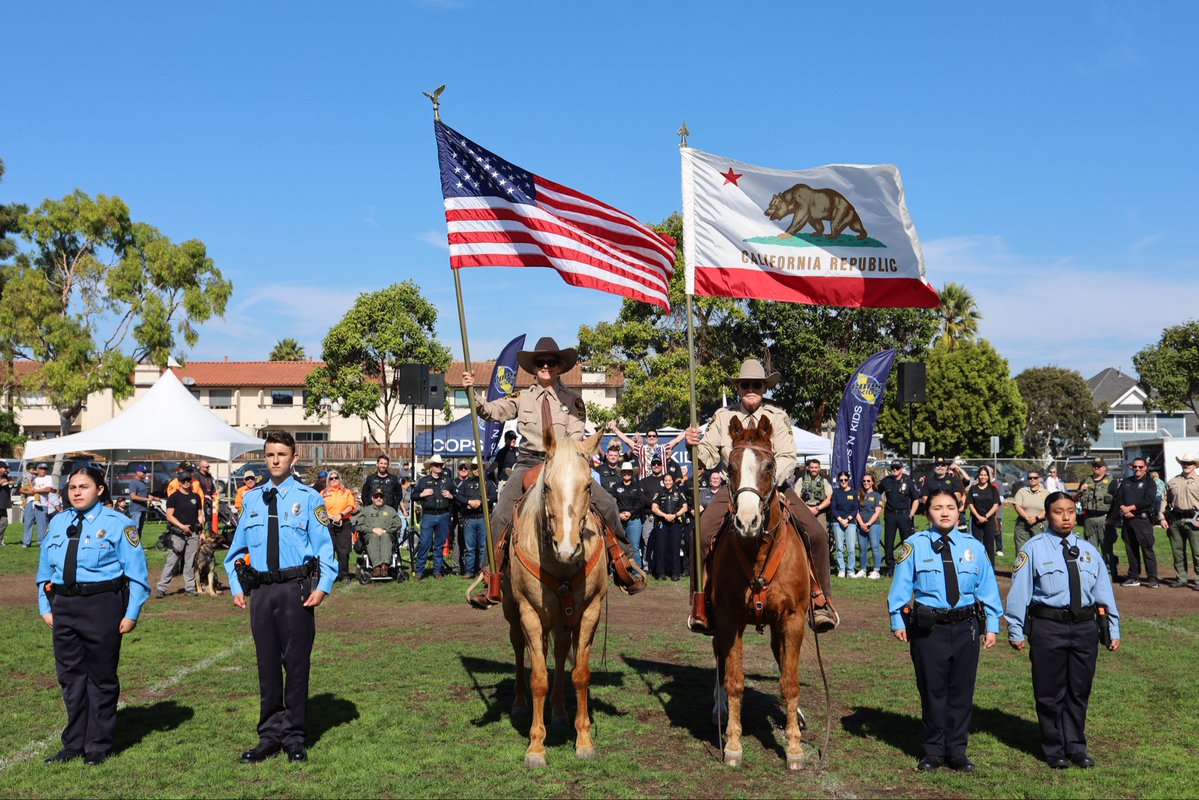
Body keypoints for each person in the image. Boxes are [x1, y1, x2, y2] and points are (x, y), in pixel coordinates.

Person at [463, 336, 644, 592]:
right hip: (528, 462)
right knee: (501, 511)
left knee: (608, 503)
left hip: (563, 465)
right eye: (540, 363)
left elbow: (575, 437)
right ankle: (490, 576)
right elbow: (494, 411)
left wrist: (563, 461)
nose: (545, 366)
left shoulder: (573, 402)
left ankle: (625, 561)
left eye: (550, 362)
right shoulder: (522, 398)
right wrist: (474, 395)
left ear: (560, 367)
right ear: (534, 368)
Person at [685, 358, 838, 633]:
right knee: (700, 534)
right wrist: (693, 446)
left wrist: (767, 487)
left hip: (773, 486)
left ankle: (820, 601)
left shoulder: (778, 417)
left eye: (757, 385)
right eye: (746, 385)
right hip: (733, 488)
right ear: (739, 388)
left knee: (816, 534)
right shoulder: (722, 418)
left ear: (765, 388)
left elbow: (788, 457)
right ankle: (702, 603)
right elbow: (706, 456)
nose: (751, 389)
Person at [223, 430, 336, 764]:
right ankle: (269, 735)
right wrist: (236, 585)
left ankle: (294, 736)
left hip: (295, 590)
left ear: (293, 458)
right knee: (267, 665)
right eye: (270, 454)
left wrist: (322, 586)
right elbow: (234, 553)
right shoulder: (252, 499)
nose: (274, 460)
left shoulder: (309, 498)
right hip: (261, 592)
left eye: (281, 455)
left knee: (296, 665)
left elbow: (325, 549)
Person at [36, 466, 149, 766]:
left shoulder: (119, 524)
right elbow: (45, 568)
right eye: (72, 486)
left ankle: (97, 745)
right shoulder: (58, 521)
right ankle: (73, 743)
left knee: (101, 677)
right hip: (63, 605)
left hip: (102, 605)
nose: (75, 492)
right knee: (70, 678)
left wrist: (132, 612)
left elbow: (137, 574)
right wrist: (45, 605)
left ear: (99, 490)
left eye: (83, 487)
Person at [887, 487, 1002, 773]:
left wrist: (993, 624)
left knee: (962, 691)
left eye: (950, 507)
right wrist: (897, 619)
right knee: (932, 690)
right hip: (929, 629)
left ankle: (957, 750)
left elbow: (988, 588)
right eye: (938, 508)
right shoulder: (914, 545)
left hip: (966, 628)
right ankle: (934, 750)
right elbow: (901, 586)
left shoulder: (973, 546)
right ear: (928, 513)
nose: (945, 512)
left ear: (959, 510)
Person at [1004, 491, 1120, 769]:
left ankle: (1076, 746)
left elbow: (1104, 594)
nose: (1066, 516)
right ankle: (1054, 747)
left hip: (1084, 628)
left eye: (1070, 510)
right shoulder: (1033, 548)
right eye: (1058, 511)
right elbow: (1020, 592)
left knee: (1079, 690)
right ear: (1047, 514)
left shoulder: (1089, 551)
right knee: (1049, 691)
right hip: (1048, 627)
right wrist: (1016, 630)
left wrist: (1113, 629)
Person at [155, 468, 204, 598]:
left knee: (190, 562)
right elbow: (169, 516)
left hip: (193, 533)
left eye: (189, 480)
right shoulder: (173, 497)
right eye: (184, 480)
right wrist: (182, 527)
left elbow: (200, 515)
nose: (187, 482)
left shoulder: (196, 496)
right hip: (177, 534)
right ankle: (161, 588)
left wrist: (202, 530)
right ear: (179, 482)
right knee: (172, 561)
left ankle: (190, 588)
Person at [1113, 458, 1159, 588]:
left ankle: (1152, 578)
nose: (1137, 469)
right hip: (1128, 520)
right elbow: (1119, 497)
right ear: (1131, 467)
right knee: (1131, 549)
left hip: (1142, 520)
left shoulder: (1150, 483)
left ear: (1145, 468)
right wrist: (1123, 508)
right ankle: (1134, 576)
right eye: (1135, 467)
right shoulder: (1126, 482)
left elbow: (1149, 501)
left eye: (1140, 467)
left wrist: (1131, 508)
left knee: (1147, 548)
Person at [1074, 457, 1119, 579]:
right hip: (1088, 518)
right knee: (1089, 547)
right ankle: (1092, 572)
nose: (1096, 468)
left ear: (1105, 468)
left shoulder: (1111, 482)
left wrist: (1112, 519)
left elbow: (1117, 502)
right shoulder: (1085, 481)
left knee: (1107, 547)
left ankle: (1111, 573)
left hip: (1104, 518)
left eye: (1098, 466)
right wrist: (1080, 491)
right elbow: (1074, 499)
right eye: (1094, 465)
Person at [412, 454, 456, 579]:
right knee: (424, 543)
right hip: (429, 515)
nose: (439, 467)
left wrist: (451, 496)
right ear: (431, 467)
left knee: (439, 545)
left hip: (443, 515)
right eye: (436, 465)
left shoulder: (447, 480)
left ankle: (437, 570)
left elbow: (456, 497)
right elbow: (413, 496)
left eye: (441, 465)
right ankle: (420, 570)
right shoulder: (424, 481)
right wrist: (422, 494)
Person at [1164, 451, 1199, 589]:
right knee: (1177, 551)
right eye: (1184, 463)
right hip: (1176, 520)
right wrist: (1162, 518)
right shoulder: (1173, 481)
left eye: (1189, 463)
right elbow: (1165, 500)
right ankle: (1181, 578)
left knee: (1197, 553)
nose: (1186, 465)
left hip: (1195, 520)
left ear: (1195, 465)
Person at [455, 462, 495, 579]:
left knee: (483, 547)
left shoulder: (489, 483)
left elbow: (494, 496)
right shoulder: (465, 483)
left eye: (479, 467)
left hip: (483, 518)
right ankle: (469, 571)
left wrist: (482, 502)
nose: (477, 470)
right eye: (474, 467)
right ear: (471, 469)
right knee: (470, 547)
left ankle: (482, 571)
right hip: (469, 519)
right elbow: (458, 496)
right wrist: (468, 503)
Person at [880, 461, 920, 576]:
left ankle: (906, 566)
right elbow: (877, 494)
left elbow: (916, 499)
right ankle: (891, 567)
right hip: (890, 514)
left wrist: (911, 514)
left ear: (901, 469)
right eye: (893, 468)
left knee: (906, 541)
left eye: (897, 468)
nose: (895, 470)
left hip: (904, 515)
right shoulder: (886, 481)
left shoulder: (908, 481)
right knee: (889, 542)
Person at [609, 422, 686, 480]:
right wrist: (615, 429)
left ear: (657, 439)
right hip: (645, 483)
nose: (651, 437)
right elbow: (626, 440)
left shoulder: (662, 448)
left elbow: (677, 440)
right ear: (646, 439)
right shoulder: (641, 449)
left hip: (661, 482)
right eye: (649, 436)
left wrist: (687, 431)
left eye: (654, 436)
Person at [354, 489, 403, 577]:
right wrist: (372, 530)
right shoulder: (366, 510)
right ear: (372, 498)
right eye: (376, 497)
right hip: (370, 535)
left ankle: (384, 567)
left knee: (385, 536)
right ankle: (376, 567)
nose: (379, 498)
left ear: (384, 498)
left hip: (387, 534)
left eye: (381, 496)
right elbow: (359, 525)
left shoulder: (390, 510)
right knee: (374, 536)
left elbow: (398, 524)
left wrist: (386, 530)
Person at [321, 471, 358, 582]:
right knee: (329, 550)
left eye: (336, 477)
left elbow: (351, 506)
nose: (333, 480)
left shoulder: (346, 492)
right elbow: (319, 507)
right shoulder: (323, 493)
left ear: (339, 478)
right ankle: (329, 575)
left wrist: (340, 515)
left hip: (343, 522)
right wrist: (330, 516)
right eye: (331, 478)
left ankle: (345, 574)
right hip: (328, 523)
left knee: (343, 550)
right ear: (328, 480)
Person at [650, 472, 688, 581]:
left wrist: (675, 515)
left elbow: (685, 507)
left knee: (675, 548)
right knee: (661, 548)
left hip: (676, 523)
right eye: (665, 480)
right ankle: (660, 573)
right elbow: (654, 508)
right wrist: (665, 515)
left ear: (673, 481)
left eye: (669, 480)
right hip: (662, 523)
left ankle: (675, 573)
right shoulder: (659, 493)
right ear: (663, 482)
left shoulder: (679, 493)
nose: (667, 482)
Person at [613, 462, 647, 569]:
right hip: (619, 520)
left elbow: (641, 502)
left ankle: (637, 572)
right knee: (619, 546)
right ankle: (621, 571)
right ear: (621, 473)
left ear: (632, 473)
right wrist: (618, 514)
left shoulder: (637, 487)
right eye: (624, 472)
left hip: (634, 520)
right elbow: (612, 502)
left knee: (634, 548)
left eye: (628, 472)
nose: (626, 474)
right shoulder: (615, 487)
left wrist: (630, 512)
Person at [967, 465, 1002, 565]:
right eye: (981, 475)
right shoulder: (973, 489)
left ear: (988, 476)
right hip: (976, 521)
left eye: (985, 475)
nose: (983, 477)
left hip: (989, 521)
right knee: (976, 545)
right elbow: (971, 505)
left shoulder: (993, 489)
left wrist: (985, 517)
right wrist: (978, 517)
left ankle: (991, 569)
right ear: (978, 476)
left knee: (989, 546)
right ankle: (977, 567)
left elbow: (995, 506)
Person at [831, 471, 859, 578]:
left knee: (851, 548)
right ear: (838, 481)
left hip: (850, 523)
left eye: (845, 480)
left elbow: (855, 509)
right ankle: (841, 569)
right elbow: (833, 508)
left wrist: (847, 520)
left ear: (849, 480)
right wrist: (840, 520)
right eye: (841, 480)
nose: (843, 482)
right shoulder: (836, 492)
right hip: (837, 522)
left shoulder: (854, 493)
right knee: (839, 548)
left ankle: (850, 570)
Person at [1014, 469, 1049, 552]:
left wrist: (1036, 518)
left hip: (1039, 524)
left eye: (1035, 478)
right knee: (1021, 550)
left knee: (1039, 550)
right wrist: (1027, 517)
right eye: (1030, 478)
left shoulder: (1045, 493)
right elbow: (1017, 505)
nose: (1032, 480)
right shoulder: (1022, 491)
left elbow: (1047, 509)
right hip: (1023, 524)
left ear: (1039, 478)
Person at [856, 473, 883, 579]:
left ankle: (876, 571)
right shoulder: (860, 494)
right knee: (862, 549)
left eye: (868, 481)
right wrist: (862, 524)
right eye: (864, 481)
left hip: (874, 525)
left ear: (872, 482)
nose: (866, 483)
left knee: (875, 547)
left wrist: (868, 524)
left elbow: (877, 512)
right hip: (861, 525)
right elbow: (856, 511)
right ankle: (863, 569)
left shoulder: (877, 495)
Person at [23, 462, 53, 547]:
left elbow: (48, 489)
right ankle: (26, 543)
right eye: (41, 468)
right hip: (29, 502)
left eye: (45, 469)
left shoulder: (48, 478)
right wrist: (29, 491)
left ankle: (41, 542)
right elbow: (21, 489)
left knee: (42, 524)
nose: (43, 470)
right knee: (28, 523)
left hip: (42, 503)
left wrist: (35, 491)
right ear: (37, 469)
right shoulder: (32, 478)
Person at [798, 458, 833, 530]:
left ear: (819, 468)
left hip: (820, 511)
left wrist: (817, 508)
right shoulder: (801, 480)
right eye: (812, 467)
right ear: (808, 468)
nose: (814, 469)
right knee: (805, 532)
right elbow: (797, 497)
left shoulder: (824, 481)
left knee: (822, 533)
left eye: (816, 467)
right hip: (805, 509)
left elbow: (829, 499)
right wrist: (808, 508)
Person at [126, 465, 151, 535]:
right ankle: (131, 545)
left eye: (145, 472)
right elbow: (133, 496)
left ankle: (138, 545)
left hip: (143, 509)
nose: (145, 474)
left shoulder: (143, 482)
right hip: (136, 510)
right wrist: (147, 499)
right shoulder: (133, 482)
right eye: (143, 472)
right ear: (137, 472)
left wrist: (154, 498)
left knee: (140, 530)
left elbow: (145, 494)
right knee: (134, 530)